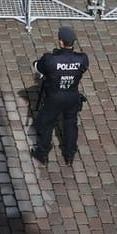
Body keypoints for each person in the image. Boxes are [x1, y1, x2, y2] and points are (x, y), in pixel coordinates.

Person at [31, 26, 89, 164]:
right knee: (70, 124)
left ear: (61, 42)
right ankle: (69, 155)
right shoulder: (82, 59)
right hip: (72, 96)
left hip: (54, 97)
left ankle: (42, 153)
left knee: (46, 123)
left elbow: (38, 66)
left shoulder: (50, 59)